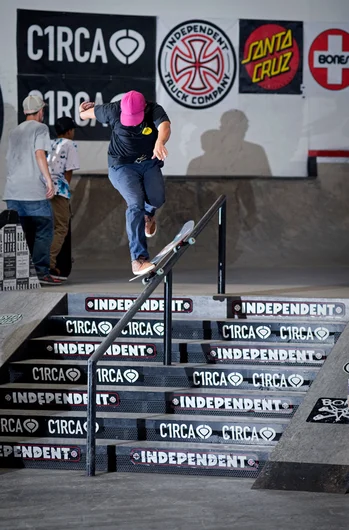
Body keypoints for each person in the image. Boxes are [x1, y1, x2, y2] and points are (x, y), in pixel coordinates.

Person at [79, 90, 171, 275]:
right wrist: (84, 110)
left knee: (157, 199)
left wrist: (160, 141)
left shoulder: (153, 109)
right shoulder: (112, 110)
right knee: (135, 203)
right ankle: (138, 259)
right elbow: (84, 114)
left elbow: (165, 126)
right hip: (121, 166)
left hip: (148, 162)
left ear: (144, 108)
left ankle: (149, 215)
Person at [2, 95, 63, 285]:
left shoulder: (14, 131)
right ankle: (41, 272)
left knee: (18, 233)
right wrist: (49, 181)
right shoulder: (40, 128)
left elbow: (8, 159)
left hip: (12, 190)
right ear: (41, 111)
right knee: (44, 229)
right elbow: (39, 154)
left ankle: (15, 275)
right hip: (32, 190)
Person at [47, 116, 80, 279]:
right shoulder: (69, 144)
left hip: (45, 189)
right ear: (68, 131)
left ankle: (44, 262)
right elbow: (68, 171)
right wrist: (65, 190)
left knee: (49, 228)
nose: (73, 133)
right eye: (73, 130)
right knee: (61, 227)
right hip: (59, 190)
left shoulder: (51, 143)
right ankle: (48, 264)